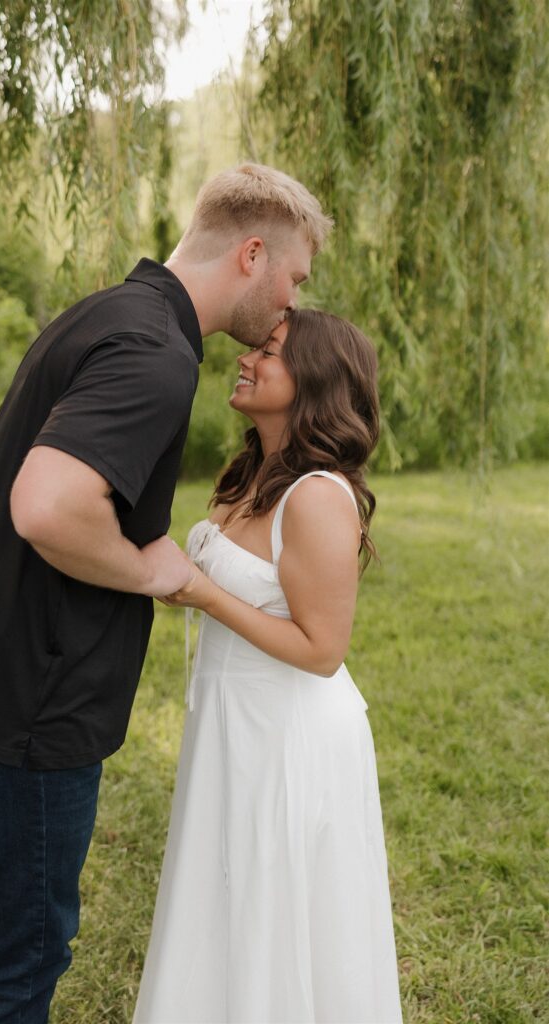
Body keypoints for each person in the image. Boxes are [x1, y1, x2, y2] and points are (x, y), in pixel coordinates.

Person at [0, 164, 333, 1023]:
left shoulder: (104, 312)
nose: (289, 306)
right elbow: (46, 501)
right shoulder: (157, 354)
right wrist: (149, 568)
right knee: (21, 956)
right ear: (251, 254)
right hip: (24, 710)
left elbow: (1, 440)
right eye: (293, 279)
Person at [133, 309, 403, 1023]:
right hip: (230, 719)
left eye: (270, 353)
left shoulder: (315, 496)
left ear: (312, 382)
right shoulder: (250, 473)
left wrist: (199, 592)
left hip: (288, 734)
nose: (246, 359)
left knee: (274, 907)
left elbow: (321, 651)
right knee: (220, 896)